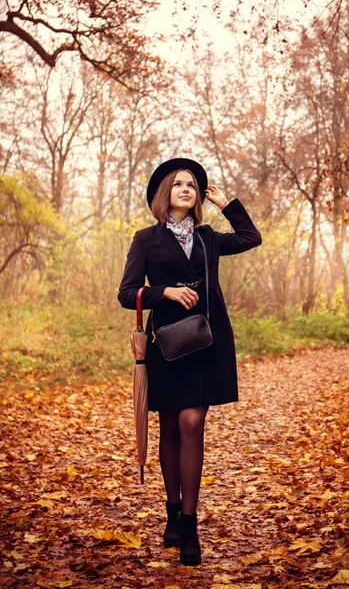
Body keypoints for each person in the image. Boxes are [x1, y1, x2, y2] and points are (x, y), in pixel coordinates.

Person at [118, 158, 262, 566]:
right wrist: (164, 291)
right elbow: (127, 293)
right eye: (179, 184)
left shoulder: (209, 237)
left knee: (191, 422)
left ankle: (190, 521)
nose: (187, 189)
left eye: (193, 185)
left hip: (206, 343)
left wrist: (226, 204)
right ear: (166, 193)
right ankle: (171, 512)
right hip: (165, 345)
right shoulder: (145, 239)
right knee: (169, 429)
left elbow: (252, 237)